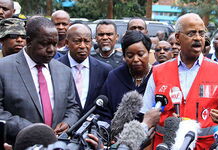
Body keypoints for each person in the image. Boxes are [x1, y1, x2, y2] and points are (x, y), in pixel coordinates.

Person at [141, 13, 218, 149]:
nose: (198, 38)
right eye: (191, 33)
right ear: (178, 37)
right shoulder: (158, 72)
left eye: (201, 33)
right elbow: (147, 116)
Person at [0, 16, 81, 144]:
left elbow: (73, 107)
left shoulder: (64, 71)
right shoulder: (3, 68)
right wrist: (33, 131)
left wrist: (68, 122)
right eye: (44, 44)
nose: (51, 50)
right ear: (29, 41)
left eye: (54, 44)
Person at [58, 23, 112, 114]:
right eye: (77, 41)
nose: (83, 46)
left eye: (86, 41)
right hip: (64, 126)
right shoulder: (55, 67)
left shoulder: (104, 70)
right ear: (67, 43)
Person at [99, 30, 152, 123]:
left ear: (148, 53)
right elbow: (103, 113)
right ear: (124, 56)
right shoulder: (114, 77)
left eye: (140, 54)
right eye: (130, 55)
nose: (136, 59)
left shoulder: (158, 76)